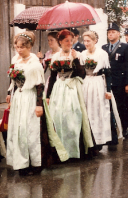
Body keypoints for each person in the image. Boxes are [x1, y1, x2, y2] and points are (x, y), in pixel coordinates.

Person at [6, 31, 55, 175]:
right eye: (17, 47)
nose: (19, 50)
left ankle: (35, 162)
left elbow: (39, 86)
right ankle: (21, 161)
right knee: (19, 129)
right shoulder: (16, 61)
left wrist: (39, 105)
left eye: (22, 47)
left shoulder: (35, 64)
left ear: (29, 47)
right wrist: (9, 93)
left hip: (30, 98)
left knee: (30, 130)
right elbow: (13, 80)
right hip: (18, 98)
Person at [46, 29, 94, 159]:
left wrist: (76, 60)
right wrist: (48, 96)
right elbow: (52, 77)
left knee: (72, 117)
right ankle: (60, 151)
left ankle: (74, 149)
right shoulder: (56, 57)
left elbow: (82, 75)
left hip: (72, 89)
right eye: (66, 40)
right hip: (59, 88)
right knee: (57, 117)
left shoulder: (77, 54)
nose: (69, 43)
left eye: (71, 40)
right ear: (60, 42)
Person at [81, 31, 114, 149]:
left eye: (88, 41)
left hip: (99, 82)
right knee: (87, 109)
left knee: (98, 110)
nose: (86, 43)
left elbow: (108, 72)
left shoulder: (102, 53)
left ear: (95, 41)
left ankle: (99, 139)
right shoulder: (83, 54)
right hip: (87, 83)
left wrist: (108, 90)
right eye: (84, 41)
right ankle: (88, 139)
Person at [102, 23, 128, 138]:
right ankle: (112, 129)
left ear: (118, 34)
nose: (110, 34)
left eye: (113, 32)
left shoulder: (125, 47)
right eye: (109, 32)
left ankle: (124, 127)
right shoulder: (104, 48)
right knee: (108, 106)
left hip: (120, 82)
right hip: (107, 82)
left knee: (121, 105)